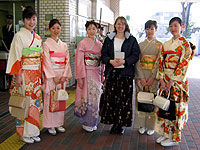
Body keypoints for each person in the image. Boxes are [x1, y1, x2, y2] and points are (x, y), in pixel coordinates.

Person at [6, 6, 42, 143]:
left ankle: (34, 131)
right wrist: (17, 76)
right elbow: (16, 56)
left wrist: (41, 75)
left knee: (35, 104)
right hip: (25, 74)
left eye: (34, 19)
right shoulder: (19, 36)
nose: (31, 22)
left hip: (36, 75)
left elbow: (40, 58)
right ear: (23, 20)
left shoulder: (37, 38)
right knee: (25, 103)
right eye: (28, 19)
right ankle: (24, 133)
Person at [155, 17, 193, 147]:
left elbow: (183, 64)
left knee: (175, 108)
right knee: (165, 106)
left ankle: (175, 137)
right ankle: (165, 133)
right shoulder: (166, 44)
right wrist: (161, 78)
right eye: (171, 26)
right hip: (165, 79)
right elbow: (161, 61)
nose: (173, 28)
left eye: (175, 25)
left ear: (182, 26)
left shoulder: (185, 44)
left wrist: (172, 80)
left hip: (177, 81)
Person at [100, 16, 140, 135]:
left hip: (125, 73)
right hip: (112, 72)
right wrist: (110, 61)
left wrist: (125, 61)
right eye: (118, 24)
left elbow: (136, 54)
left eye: (122, 24)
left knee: (124, 99)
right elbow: (103, 55)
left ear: (126, 25)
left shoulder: (131, 39)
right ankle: (113, 123)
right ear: (115, 25)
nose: (120, 26)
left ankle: (121, 124)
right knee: (111, 98)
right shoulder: (109, 39)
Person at [42, 19, 72, 135]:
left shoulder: (64, 45)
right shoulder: (46, 44)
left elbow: (67, 60)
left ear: (61, 29)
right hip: (52, 75)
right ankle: (50, 125)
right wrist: (53, 76)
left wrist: (64, 75)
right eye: (53, 28)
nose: (56, 30)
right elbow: (46, 61)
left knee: (60, 98)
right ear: (49, 29)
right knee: (50, 99)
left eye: (58, 28)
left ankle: (59, 123)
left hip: (61, 75)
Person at [74, 20, 104, 132]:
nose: (92, 31)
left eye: (94, 28)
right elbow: (79, 61)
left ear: (97, 30)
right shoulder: (82, 43)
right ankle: (86, 122)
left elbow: (102, 62)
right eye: (89, 28)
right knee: (86, 96)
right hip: (86, 72)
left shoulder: (100, 44)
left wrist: (102, 75)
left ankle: (93, 121)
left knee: (96, 98)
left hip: (96, 72)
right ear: (86, 30)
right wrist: (80, 77)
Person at [134, 20, 162, 136]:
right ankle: (141, 124)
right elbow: (137, 61)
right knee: (141, 99)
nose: (149, 31)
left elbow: (159, 62)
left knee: (152, 100)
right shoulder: (140, 45)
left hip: (152, 77)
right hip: (141, 76)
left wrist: (153, 78)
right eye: (147, 29)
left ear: (156, 30)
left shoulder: (160, 45)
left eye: (152, 29)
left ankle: (150, 125)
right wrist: (140, 77)